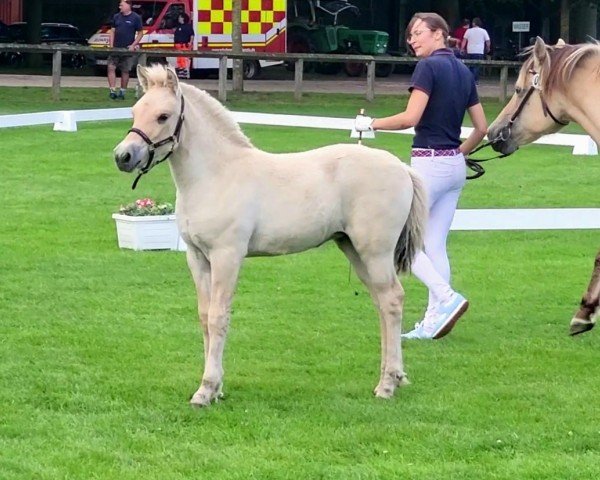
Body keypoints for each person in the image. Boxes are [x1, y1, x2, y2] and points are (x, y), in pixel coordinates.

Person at [354, 12, 488, 340]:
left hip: (428, 164)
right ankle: (433, 322)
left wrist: (369, 123)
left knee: (399, 239)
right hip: (453, 167)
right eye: (410, 35)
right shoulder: (462, 71)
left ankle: (446, 297)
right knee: (435, 245)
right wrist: (460, 154)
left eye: (418, 33)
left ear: (438, 34)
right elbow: (482, 127)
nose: (412, 40)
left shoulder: (428, 67)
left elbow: (411, 117)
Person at [107, 0, 144, 100]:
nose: (120, 7)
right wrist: (111, 45)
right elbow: (112, 31)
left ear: (128, 5)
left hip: (127, 49)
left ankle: (122, 92)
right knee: (111, 67)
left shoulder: (136, 18)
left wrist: (133, 45)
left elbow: (140, 33)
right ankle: (112, 90)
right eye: (119, 5)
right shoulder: (116, 17)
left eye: (122, 5)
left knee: (125, 70)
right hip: (116, 47)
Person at [461, 17, 490, 84]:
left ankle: (470, 79)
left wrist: (462, 48)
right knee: (477, 66)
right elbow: (488, 40)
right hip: (479, 51)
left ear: (474, 23)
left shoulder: (468, 31)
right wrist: (488, 47)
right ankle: (475, 80)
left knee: (470, 66)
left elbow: (464, 40)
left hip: (470, 50)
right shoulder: (483, 31)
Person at [174, 12, 195, 79]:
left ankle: (185, 73)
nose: (179, 18)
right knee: (179, 60)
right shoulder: (178, 27)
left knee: (185, 60)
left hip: (184, 46)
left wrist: (190, 43)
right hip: (178, 47)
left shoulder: (188, 27)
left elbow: (192, 35)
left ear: (183, 18)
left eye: (180, 17)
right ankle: (180, 73)